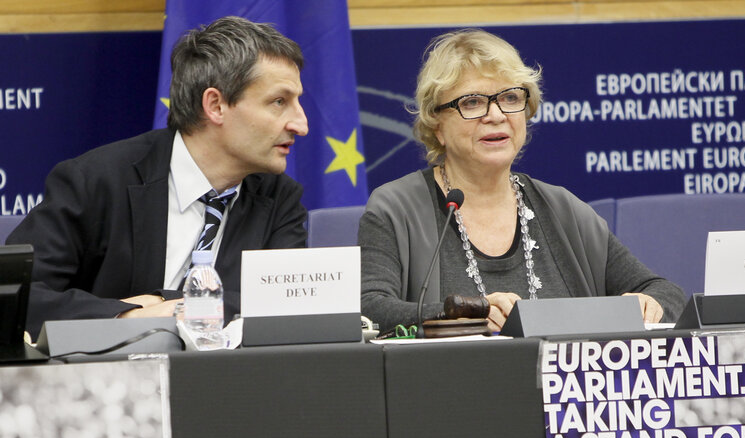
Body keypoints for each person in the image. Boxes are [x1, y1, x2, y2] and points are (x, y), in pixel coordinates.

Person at [359, 29, 686, 334]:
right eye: (472, 102)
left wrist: (650, 304)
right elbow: (369, 312)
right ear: (437, 126)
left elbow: (664, 292)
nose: (496, 115)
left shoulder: (563, 210)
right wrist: (458, 315)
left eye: (511, 98)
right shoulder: (396, 209)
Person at [8, 16, 309, 337]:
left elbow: (284, 305)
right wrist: (125, 318)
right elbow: (19, 295)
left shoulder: (280, 199)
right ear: (216, 105)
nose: (301, 125)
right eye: (279, 102)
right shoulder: (95, 181)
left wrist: (166, 303)